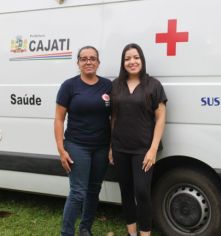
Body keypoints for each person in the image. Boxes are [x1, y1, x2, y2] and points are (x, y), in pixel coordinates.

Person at [54, 46, 112, 236]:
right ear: (78, 62)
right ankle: (67, 233)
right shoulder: (69, 86)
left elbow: (115, 118)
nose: (88, 62)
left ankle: (85, 228)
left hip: (101, 147)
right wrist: (62, 150)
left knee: (94, 190)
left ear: (98, 62)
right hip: (77, 145)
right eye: (84, 59)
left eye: (92, 58)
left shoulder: (107, 86)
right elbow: (59, 119)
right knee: (78, 192)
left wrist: (111, 146)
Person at [110, 43, 167, 236]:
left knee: (142, 192)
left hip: (143, 149)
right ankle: (131, 233)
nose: (132, 62)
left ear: (142, 60)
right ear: (123, 62)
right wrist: (111, 147)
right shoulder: (115, 85)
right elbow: (113, 118)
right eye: (127, 59)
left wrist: (153, 149)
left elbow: (160, 118)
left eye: (136, 57)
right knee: (126, 192)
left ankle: (145, 233)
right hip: (120, 148)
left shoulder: (153, 85)